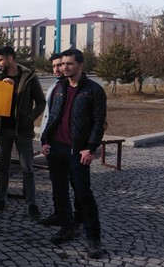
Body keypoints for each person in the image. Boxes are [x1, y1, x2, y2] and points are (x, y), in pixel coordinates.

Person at [40, 48, 107, 259]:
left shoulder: (94, 90)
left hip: (78, 152)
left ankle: (93, 239)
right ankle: (67, 227)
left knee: (83, 195)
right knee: (59, 192)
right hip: (56, 149)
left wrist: (91, 148)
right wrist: (45, 141)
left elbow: (98, 123)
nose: (64, 67)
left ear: (80, 65)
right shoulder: (59, 87)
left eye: (69, 63)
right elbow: (52, 117)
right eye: (62, 64)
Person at [0, 46, 45, 219]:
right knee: (3, 167)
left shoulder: (28, 77)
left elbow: (41, 102)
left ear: (10, 58)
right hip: (3, 129)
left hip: (23, 130)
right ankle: (1, 200)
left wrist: (29, 118)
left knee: (27, 167)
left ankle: (32, 204)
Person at [38, 53, 82, 227]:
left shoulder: (77, 87)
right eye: (55, 66)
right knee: (58, 184)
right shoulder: (54, 88)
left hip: (73, 146)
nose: (58, 69)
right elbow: (49, 117)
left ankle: (79, 217)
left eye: (61, 65)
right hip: (54, 144)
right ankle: (60, 214)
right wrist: (44, 140)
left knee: (77, 184)